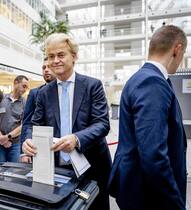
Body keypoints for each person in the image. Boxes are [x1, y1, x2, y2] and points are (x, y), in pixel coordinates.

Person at [22, 33, 112, 210]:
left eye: (61, 55)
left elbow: (102, 124)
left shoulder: (93, 86)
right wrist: (28, 140)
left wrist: (77, 139)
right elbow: (34, 124)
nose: (55, 61)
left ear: (74, 56)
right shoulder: (44, 93)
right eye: (51, 56)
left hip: (92, 168)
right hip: (58, 170)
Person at [108, 25, 188, 210]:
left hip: (140, 188)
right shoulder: (151, 82)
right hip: (148, 195)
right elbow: (153, 154)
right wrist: (175, 204)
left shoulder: (142, 78)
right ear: (177, 49)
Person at [20, 59, 56, 163]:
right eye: (44, 68)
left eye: (49, 67)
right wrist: (24, 152)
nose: (46, 70)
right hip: (39, 146)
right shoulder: (34, 93)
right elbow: (27, 122)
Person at [0, 75, 29, 164]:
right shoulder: (1, 99)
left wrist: (7, 137)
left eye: (26, 88)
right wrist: (1, 138)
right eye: (24, 86)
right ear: (16, 83)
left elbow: (23, 125)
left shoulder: (25, 103)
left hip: (15, 144)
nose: (25, 90)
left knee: (14, 170)